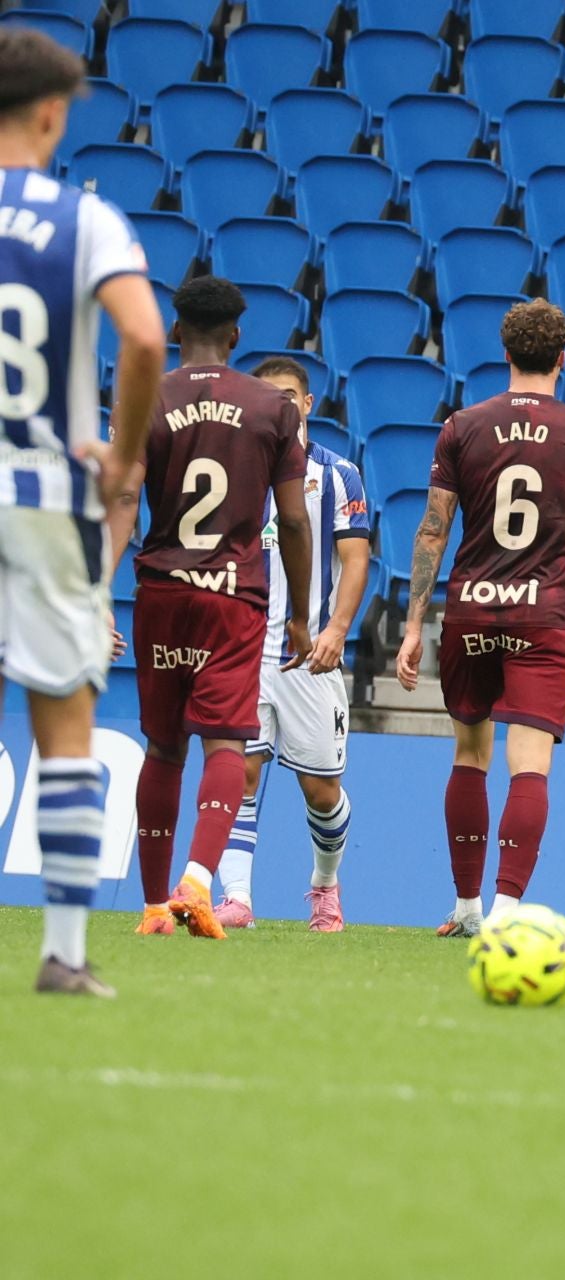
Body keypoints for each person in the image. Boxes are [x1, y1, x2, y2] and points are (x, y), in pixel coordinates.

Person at [0, 27, 165, 994]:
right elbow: (143, 337)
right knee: (65, 721)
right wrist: (127, 450)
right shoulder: (81, 220)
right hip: (41, 492)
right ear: (53, 113)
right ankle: (63, 954)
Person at [397, 299, 565, 938]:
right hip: (540, 617)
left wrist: (414, 623)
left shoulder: (463, 425)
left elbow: (432, 531)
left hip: (469, 609)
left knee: (470, 752)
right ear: (562, 358)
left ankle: (464, 908)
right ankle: (504, 911)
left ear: (505, 354)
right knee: (530, 765)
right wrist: (550, 586)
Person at [111, 275, 313, 942]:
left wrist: (93, 593)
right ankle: (197, 882)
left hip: (162, 592)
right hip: (233, 597)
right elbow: (293, 519)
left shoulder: (149, 399)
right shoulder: (271, 408)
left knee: (163, 747)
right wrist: (301, 615)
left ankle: (150, 907)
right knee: (226, 739)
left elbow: (121, 498)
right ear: (235, 337)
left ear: (175, 332)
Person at [211, 356, 370, 932]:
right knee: (240, 774)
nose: (279, 404)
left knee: (321, 791)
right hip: (245, 650)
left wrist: (336, 630)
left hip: (310, 657)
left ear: (307, 404)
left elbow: (356, 561)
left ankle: (325, 886)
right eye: (268, 395)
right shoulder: (236, 470)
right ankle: (238, 899)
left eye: (289, 395)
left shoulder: (337, 474)